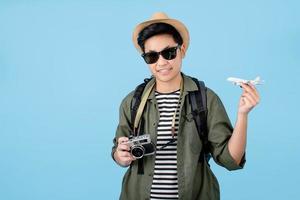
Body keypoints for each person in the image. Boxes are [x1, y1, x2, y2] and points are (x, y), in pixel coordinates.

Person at [111, 12, 260, 200]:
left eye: (169, 52)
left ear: (182, 50)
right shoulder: (132, 102)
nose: (162, 62)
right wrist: (120, 155)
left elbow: (231, 160)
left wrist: (243, 114)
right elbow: (118, 152)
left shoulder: (206, 99)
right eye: (151, 56)